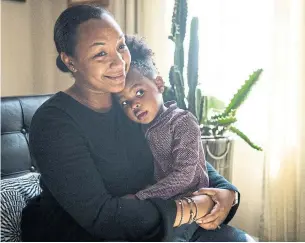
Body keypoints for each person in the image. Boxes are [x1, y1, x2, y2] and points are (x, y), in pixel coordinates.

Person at [21, 4, 249, 242]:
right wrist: (196, 207)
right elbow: (104, 218)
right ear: (70, 62)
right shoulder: (53, 123)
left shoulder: (130, 103)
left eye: (121, 46)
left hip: (151, 224)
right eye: (101, 53)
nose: (119, 62)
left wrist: (228, 194)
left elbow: (185, 156)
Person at [116, 36, 209, 241]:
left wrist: (141, 196)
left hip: (191, 202)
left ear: (158, 84)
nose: (134, 105)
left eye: (139, 92)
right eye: (125, 103)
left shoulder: (182, 121)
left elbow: (185, 175)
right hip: (164, 201)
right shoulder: (143, 128)